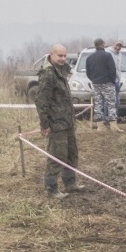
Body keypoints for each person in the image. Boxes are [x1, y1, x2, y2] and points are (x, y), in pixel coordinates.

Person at [35, 44, 87, 198]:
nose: (63, 59)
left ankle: (70, 183)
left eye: (65, 56)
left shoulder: (61, 72)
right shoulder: (48, 74)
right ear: (51, 55)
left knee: (72, 154)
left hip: (67, 122)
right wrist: (45, 124)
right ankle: (51, 188)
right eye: (60, 56)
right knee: (57, 156)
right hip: (56, 124)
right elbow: (41, 101)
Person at [86, 38, 122, 132]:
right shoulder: (107, 55)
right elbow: (112, 70)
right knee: (111, 103)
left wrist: (94, 79)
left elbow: (88, 72)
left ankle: (100, 126)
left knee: (98, 104)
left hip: (96, 83)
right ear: (103, 44)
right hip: (107, 83)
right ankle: (113, 125)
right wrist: (112, 80)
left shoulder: (90, 57)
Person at [106, 40, 124, 111]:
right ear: (113, 44)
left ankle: (114, 116)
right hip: (110, 79)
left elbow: (118, 67)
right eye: (117, 45)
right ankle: (107, 117)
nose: (118, 47)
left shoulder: (120, 54)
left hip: (117, 79)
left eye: (120, 46)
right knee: (109, 99)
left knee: (117, 100)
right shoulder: (108, 53)